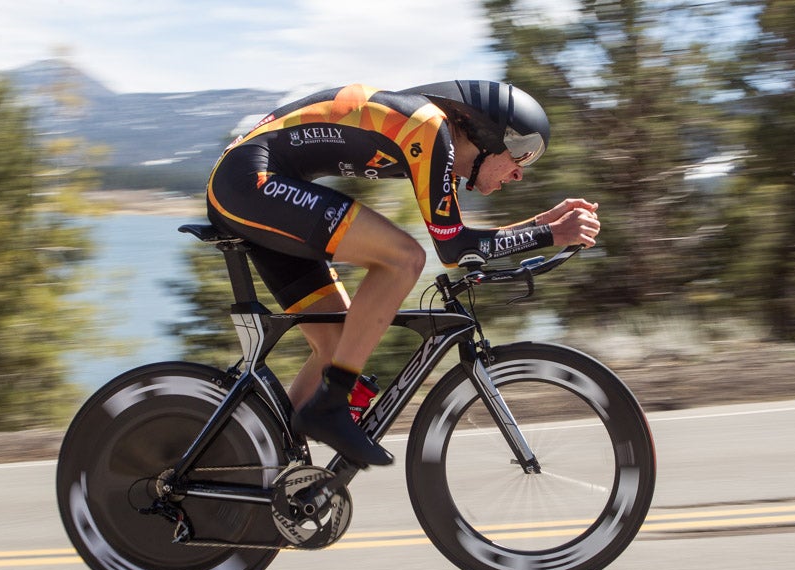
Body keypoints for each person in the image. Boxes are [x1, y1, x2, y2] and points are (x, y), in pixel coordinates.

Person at [206, 80, 601, 467]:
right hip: (251, 182)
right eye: (521, 155)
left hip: (260, 188)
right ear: (487, 135)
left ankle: (266, 468)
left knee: (338, 343)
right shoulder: (430, 129)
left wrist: (541, 226)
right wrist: (549, 234)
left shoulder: (436, 144)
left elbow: (457, 240)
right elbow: (454, 249)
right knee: (404, 259)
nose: (519, 174)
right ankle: (329, 406)